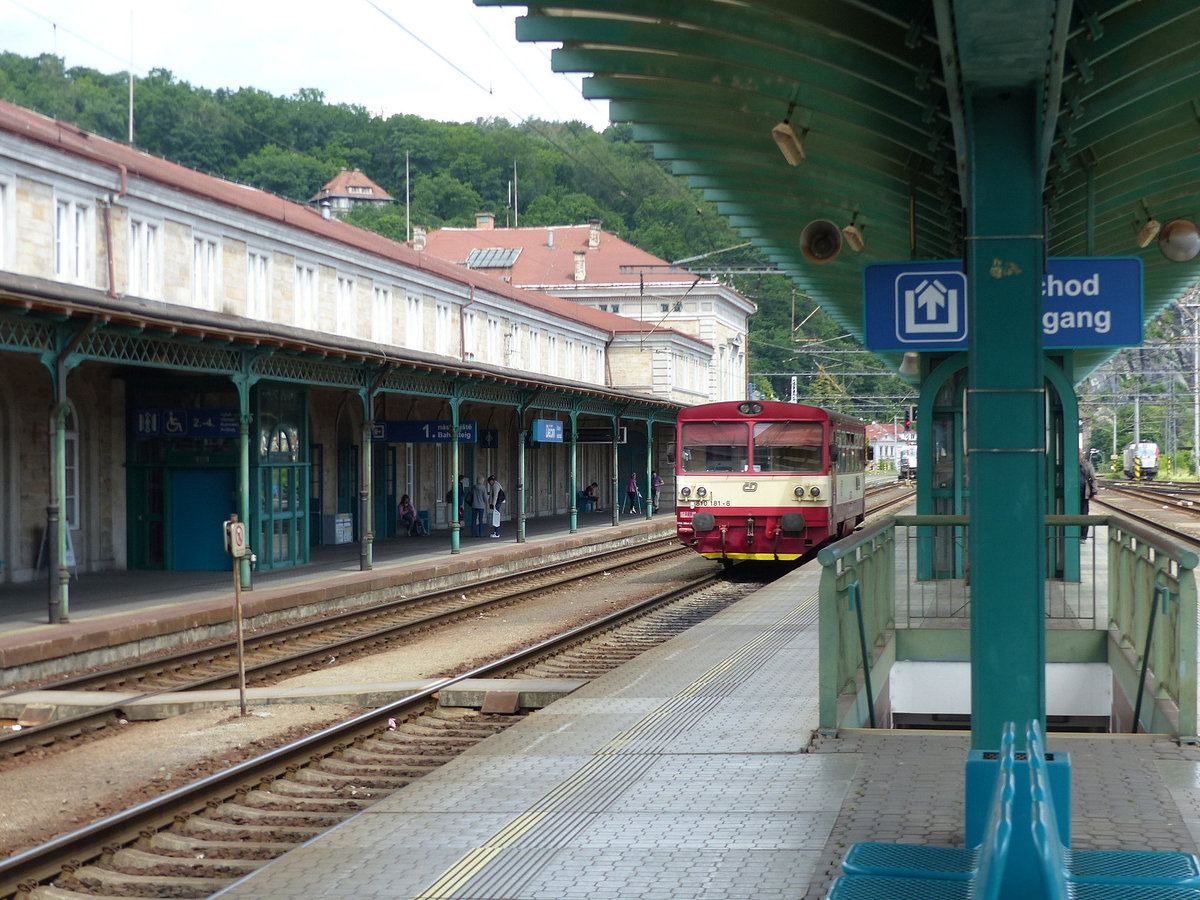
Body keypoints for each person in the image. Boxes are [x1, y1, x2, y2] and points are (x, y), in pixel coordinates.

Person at [1079, 451, 1098, 540]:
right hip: (1072, 492)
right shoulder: (1071, 464)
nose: (1079, 455)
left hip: (1084, 493)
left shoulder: (1087, 465)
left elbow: (1093, 479)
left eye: (1080, 453)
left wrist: (1094, 492)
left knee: (1084, 513)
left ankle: (1083, 535)